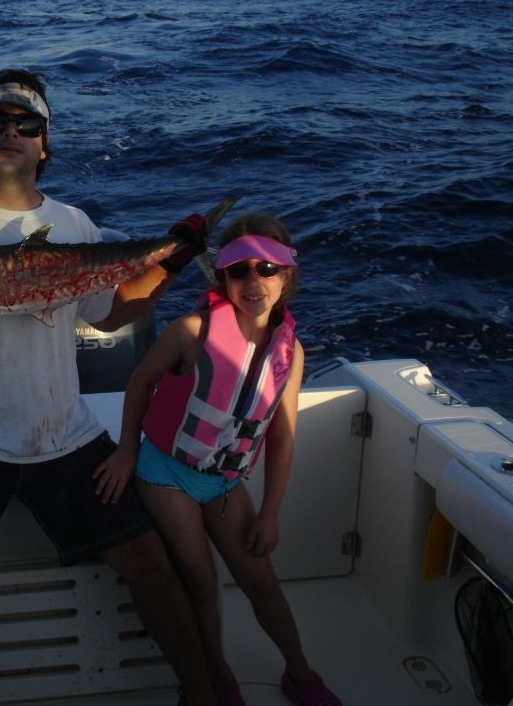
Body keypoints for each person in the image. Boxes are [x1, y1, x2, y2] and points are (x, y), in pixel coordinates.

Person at [0, 68, 223, 706]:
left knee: (149, 562)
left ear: (44, 145)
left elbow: (109, 314)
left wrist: (167, 263)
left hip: (62, 430)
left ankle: (202, 693)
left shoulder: (76, 225)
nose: (10, 133)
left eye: (26, 124)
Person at [103, 213, 342, 706]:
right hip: (166, 475)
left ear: (286, 275)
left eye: (267, 269)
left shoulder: (288, 352)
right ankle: (217, 676)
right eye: (239, 270)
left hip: (225, 484)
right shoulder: (190, 330)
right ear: (221, 277)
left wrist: (271, 513)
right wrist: (127, 450)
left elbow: (282, 433)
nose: (253, 281)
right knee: (203, 582)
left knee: (261, 581)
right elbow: (140, 384)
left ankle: (299, 673)